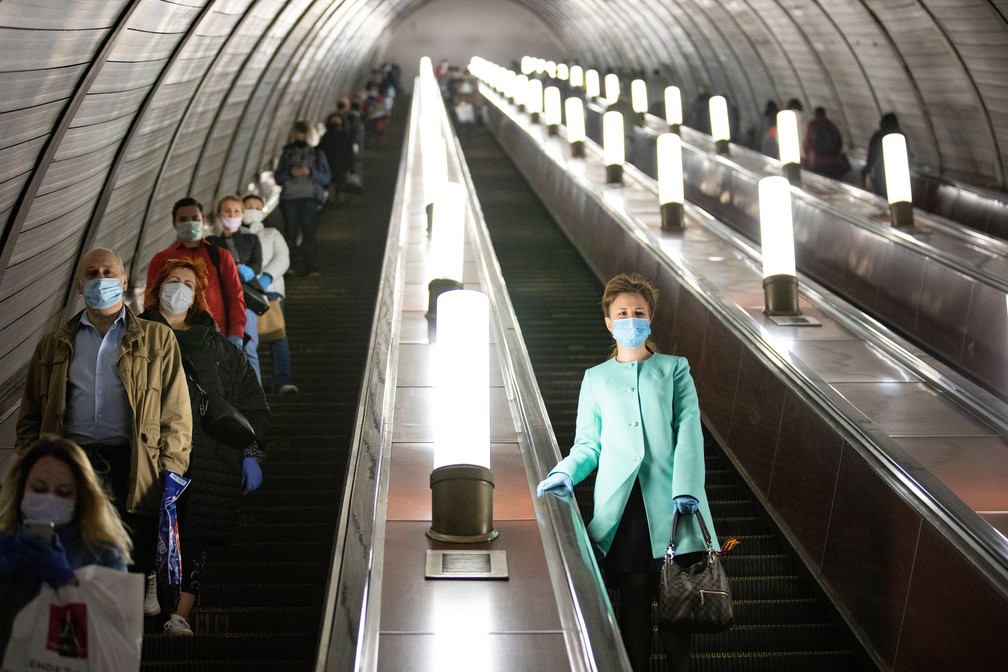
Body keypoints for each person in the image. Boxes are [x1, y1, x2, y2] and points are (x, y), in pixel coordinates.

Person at [537, 272, 719, 672]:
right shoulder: (595, 378)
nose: (631, 320)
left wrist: (687, 488)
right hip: (622, 504)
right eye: (622, 313)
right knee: (633, 594)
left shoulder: (675, 369)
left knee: (676, 600)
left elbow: (689, 430)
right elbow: (589, 445)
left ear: (649, 319)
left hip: (673, 499)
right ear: (608, 322)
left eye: (638, 313)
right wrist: (566, 472)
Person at [15, 247, 190, 615]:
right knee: (73, 555)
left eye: (108, 272)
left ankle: (125, 632)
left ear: (124, 282)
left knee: (129, 555)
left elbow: (175, 413)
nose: (100, 279)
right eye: (92, 273)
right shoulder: (53, 344)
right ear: (80, 284)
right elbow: (30, 416)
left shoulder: (157, 339)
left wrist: (170, 468)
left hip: (133, 463)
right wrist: (33, 463)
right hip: (71, 463)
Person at [139, 257, 269, 636]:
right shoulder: (135, 335)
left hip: (208, 456)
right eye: (173, 281)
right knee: (147, 526)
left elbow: (251, 401)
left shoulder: (217, 346)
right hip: (151, 452)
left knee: (195, 534)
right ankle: (146, 598)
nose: (179, 289)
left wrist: (251, 454)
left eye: (188, 284)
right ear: (158, 287)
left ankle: (180, 615)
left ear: (197, 295)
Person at [0, 435, 134, 659]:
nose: (49, 499)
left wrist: (67, 581)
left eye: (63, 493)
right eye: (39, 489)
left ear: (81, 496)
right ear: (22, 489)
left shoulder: (105, 553)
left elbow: (116, 637)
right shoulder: (8, 545)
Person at [147, 197, 246, 347]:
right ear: (174, 223)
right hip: (173, 338)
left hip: (217, 336)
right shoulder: (161, 260)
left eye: (195, 218)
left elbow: (235, 296)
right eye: (183, 219)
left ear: (203, 220)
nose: (190, 223)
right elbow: (151, 300)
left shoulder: (220, 256)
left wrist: (236, 333)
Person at [242, 194, 298, 394]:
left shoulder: (271, 233)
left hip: (271, 291)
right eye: (249, 206)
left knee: (277, 333)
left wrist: (266, 278)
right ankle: (250, 383)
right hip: (243, 293)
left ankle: (282, 380)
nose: (253, 210)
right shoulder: (234, 236)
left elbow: (283, 257)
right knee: (246, 339)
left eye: (258, 207)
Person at [208, 195, 265, 380]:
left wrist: (242, 273)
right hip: (221, 299)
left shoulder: (251, 239)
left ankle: (255, 391)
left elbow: (257, 265)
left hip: (246, 296)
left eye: (236, 211)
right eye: (227, 211)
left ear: (242, 214)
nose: (232, 215)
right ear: (219, 214)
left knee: (249, 345)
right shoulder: (211, 242)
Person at [275, 120, 332, 277]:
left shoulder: (317, 154)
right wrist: (290, 173)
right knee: (290, 232)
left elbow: (326, 177)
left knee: (309, 232)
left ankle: (310, 265)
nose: (300, 136)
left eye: (303, 133)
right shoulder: (286, 155)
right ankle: (290, 265)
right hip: (290, 198)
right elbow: (278, 178)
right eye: (298, 133)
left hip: (309, 197)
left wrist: (311, 172)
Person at [802, 106, 850, 179]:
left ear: (815, 114)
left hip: (817, 162)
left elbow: (806, 143)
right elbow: (840, 142)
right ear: (824, 114)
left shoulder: (812, 125)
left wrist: (809, 157)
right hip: (834, 161)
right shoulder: (832, 125)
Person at [863, 112, 902, 198]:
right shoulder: (901, 136)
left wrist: (868, 172)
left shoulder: (878, 136)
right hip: (898, 176)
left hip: (880, 174)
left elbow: (871, 155)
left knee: (881, 197)